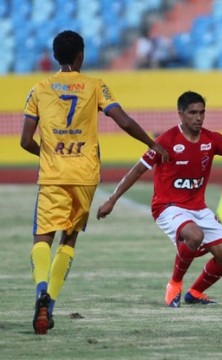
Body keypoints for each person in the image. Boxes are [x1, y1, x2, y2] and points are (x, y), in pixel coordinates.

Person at [20, 30, 169, 335]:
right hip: (85, 175)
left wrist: (45, 155)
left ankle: (40, 292)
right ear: (80, 56)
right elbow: (124, 121)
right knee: (69, 239)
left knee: (42, 238)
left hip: (53, 175)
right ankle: (52, 304)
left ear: (54, 56)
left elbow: (25, 141)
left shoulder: (39, 89)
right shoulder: (96, 85)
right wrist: (152, 144)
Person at [96, 91, 222, 308]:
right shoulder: (166, 140)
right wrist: (112, 200)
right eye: (193, 112)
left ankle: (195, 293)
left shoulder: (212, 139)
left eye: (202, 112)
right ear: (180, 114)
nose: (198, 117)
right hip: (167, 206)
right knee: (195, 236)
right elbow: (137, 170)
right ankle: (175, 283)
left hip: (198, 208)